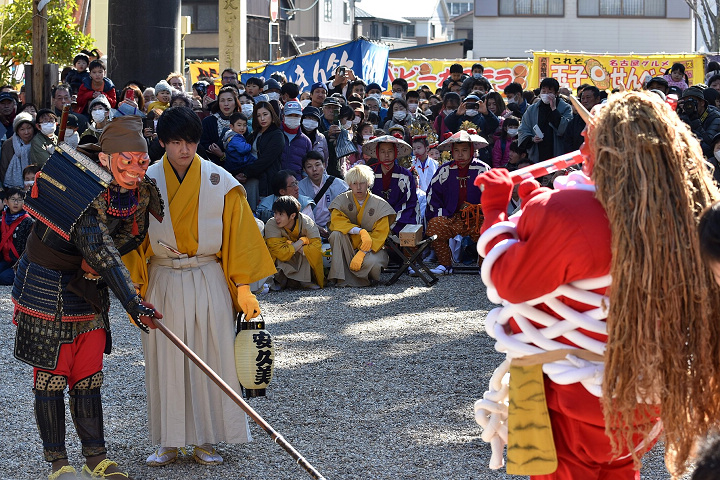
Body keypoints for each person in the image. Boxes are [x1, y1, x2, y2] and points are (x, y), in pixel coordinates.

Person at [475, 91, 720, 479]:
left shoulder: (571, 212)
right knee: (621, 469)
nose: (582, 138)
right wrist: (539, 212)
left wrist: (496, 210)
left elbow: (507, 280)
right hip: (644, 392)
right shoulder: (692, 212)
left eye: (591, 132)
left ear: (605, 147)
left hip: (563, 391)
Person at [123, 106, 276, 469]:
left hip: (208, 274)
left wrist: (243, 287)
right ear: (161, 143)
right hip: (162, 276)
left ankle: (206, 437)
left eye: (190, 142)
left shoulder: (221, 182)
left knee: (211, 356)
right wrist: (133, 289)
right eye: (175, 142)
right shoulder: (143, 182)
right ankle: (169, 440)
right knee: (165, 358)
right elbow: (132, 240)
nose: (184, 150)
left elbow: (239, 239)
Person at [13, 116, 162, 480]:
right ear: (108, 158)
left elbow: (132, 234)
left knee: (88, 375)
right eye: (127, 160)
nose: (136, 169)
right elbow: (98, 244)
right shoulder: (84, 182)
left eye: (142, 161)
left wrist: (97, 270)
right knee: (51, 375)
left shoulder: (140, 191)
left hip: (89, 282)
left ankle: (96, 458)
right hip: (46, 282)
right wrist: (131, 299)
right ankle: (58, 463)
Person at [425, 129, 489, 275]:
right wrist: (442, 213)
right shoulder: (444, 170)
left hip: (477, 217)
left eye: (465, 150)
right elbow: (432, 195)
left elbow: (492, 195)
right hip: (451, 216)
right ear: (452, 152)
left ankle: (484, 265)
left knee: (488, 228)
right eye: (457, 150)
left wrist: (482, 211)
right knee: (435, 225)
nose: (460, 154)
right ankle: (445, 264)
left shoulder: (482, 169)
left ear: (472, 150)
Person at [328, 164, 395, 287]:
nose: (358, 187)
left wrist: (362, 252)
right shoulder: (342, 200)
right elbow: (336, 222)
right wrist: (359, 231)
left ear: (369, 183)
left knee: (372, 262)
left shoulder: (379, 204)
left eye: (362, 183)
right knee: (336, 234)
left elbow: (380, 234)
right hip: (348, 245)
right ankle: (339, 277)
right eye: (354, 183)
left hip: (372, 249)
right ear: (349, 184)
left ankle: (363, 280)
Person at [264, 195, 324, 290]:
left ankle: (305, 281)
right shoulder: (271, 224)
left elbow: (316, 249)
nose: (276, 218)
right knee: (278, 252)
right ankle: (280, 281)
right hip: (282, 259)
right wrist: (301, 241)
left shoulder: (307, 223)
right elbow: (280, 252)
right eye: (275, 213)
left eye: (281, 214)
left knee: (309, 252)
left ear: (292, 215)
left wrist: (291, 244)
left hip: (301, 258)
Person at [363, 135, 418, 235]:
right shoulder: (370, 174)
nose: (386, 155)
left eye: (390, 151)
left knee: (409, 239)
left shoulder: (405, 175)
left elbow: (408, 202)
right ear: (377, 153)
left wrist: (390, 221)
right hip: (375, 219)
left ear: (395, 152)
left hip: (401, 219)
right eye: (382, 152)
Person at [238, 100, 285, 210]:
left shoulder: (277, 135)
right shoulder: (254, 134)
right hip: (251, 180)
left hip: (267, 182)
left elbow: (266, 160)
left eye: (265, 114)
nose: (262, 119)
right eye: (258, 115)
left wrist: (246, 173)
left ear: (272, 115)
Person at [518, 77, 573, 164]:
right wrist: (532, 139)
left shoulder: (566, 108)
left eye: (550, 92)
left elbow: (566, 129)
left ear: (556, 93)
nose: (546, 94)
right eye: (543, 91)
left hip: (558, 154)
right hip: (537, 154)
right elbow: (523, 130)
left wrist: (554, 109)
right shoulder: (532, 109)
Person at [298, 150, 348, 239]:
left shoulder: (339, 184)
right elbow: (300, 215)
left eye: (317, 165)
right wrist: (315, 228)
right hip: (310, 230)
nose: (314, 169)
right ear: (305, 170)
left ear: (324, 165)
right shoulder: (300, 187)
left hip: (336, 228)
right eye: (309, 167)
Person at [200, 85, 241, 165]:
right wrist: (211, 148)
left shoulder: (241, 121)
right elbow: (202, 143)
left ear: (235, 103)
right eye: (222, 100)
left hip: (237, 167)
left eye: (229, 100)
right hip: (212, 166)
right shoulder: (208, 121)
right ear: (218, 103)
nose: (226, 104)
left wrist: (222, 154)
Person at [0, 187, 33, 284]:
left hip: (19, 263)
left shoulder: (28, 221)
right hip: (5, 259)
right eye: (13, 199)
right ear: (6, 201)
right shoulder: (2, 219)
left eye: (19, 200)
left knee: (3, 278)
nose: (16, 203)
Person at [677, 86, 720, 157]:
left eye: (692, 101)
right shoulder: (682, 115)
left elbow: (709, 147)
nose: (689, 105)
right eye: (686, 102)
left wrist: (694, 121)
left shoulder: (715, 118)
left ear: (702, 103)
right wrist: (676, 114)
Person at [0, 112, 35, 188]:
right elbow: (3, 168)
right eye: (22, 129)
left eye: (29, 128)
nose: (26, 132)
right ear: (17, 131)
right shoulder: (8, 144)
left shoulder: (38, 142)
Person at [280, 100, 312, 177]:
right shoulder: (275, 135)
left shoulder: (306, 141)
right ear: (283, 116)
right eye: (290, 115)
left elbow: (308, 166)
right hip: (275, 183)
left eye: (296, 116)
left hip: (297, 184)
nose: (293, 118)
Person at [564, 86, 601, 153]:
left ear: (597, 99)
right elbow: (568, 143)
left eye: (588, 97)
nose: (585, 101)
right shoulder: (574, 122)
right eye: (583, 98)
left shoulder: (605, 119)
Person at [222, 112, 256, 177]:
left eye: (244, 125)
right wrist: (249, 145)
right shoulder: (235, 138)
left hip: (234, 164)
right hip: (238, 164)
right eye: (239, 125)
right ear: (231, 126)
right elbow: (243, 149)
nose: (242, 128)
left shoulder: (231, 135)